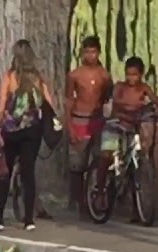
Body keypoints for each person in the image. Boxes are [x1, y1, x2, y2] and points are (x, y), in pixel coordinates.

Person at [92, 57, 158, 214]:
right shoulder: (120, 87)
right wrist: (130, 110)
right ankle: (100, 191)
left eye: (134, 75)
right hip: (115, 124)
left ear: (141, 74)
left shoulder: (144, 88)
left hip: (132, 127)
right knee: (106, 155)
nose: (131, 78)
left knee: (135, 160)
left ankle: (136, 206)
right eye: (129, 74)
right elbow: (117, 102)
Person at [0, 40, 57, 232]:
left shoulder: (9, 77)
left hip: (11, 131)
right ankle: (28, 220)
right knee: (28, 173)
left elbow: (1, 105)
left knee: (5, 172)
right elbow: (49, 104)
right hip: (32, 132)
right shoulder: (38, 78)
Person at [63, 36, 112, 209]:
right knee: (78, 164)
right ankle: (77, 201)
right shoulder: (75, 75)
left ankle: (96, 196)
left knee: (100, 159)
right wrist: (69, 126)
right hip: (79, 120)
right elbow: (68, 100)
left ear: (99, 53)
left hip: (98, 121)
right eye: (87, 52)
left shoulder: (104, 75)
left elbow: (107, 98)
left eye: (93, 52)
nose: (90, 56)